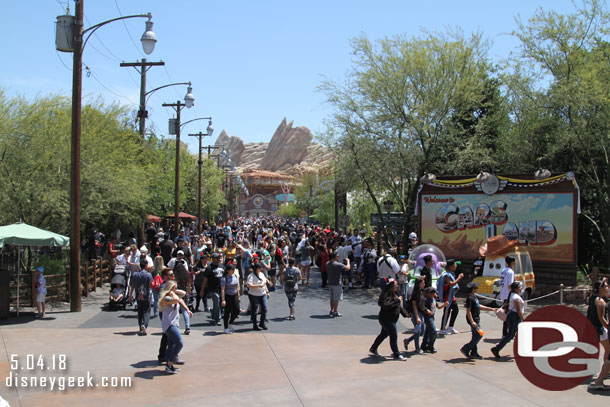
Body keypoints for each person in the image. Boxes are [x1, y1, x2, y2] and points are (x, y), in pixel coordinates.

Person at [158, 280, 192, 374]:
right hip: (169, 324)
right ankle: (170, 363)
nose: (175, 290)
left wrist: (187, 310)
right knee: (179, 343)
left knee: (171, 345)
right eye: (174, 288)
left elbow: (184, 294)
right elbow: (177, 300)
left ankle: (169, 366)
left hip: (174, 323)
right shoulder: (166, 299)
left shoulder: (173, 295)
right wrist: (172, 293)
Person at [369, 279, 408, 361]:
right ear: (391, 287)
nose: (397, 286)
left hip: (392, 319)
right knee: (393, 336)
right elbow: (385, 305)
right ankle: (396, 354)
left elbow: (398, 306)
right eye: (396, 285)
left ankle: (373, 348)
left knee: (383, 334)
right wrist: (397, 300)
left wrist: (405, 313)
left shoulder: (394, 294)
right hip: (387, 319)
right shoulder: (386, 295)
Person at [460, 282, 495, 360]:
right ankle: (466, 348)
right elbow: (468, 311)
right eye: (476, 288)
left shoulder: (475, 297)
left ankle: (474, 353)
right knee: (480, 334)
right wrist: (472, 322)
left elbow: (479, 306)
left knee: (475, 336)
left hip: (476, 319)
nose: (477, 289)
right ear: (473, 289)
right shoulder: (470, 298)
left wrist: (491, 309)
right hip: (474, 320)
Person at [491, 281, 525, 359]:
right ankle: (497, 348)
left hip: (513, 316)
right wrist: (523, 319)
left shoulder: (513, 295)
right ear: (516, 289)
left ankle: (498, 348)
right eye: (519, 287)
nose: (521, 288)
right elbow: (519, 310)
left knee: (513, 334)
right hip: (514, 316)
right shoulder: (516, 297)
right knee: (511, 334)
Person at [586, 278, 610, 391]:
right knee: (608, 350)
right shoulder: (600, 301)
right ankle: (605, 371)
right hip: (599, 329)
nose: (607, 288)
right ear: (600, 289)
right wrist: (608, 327)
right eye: (605, 286)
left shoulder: (593, 298)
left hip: (592, 327)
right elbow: (602, 319)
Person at [437, 259, 464, 335]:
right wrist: (459, 277)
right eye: (454, 265)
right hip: (447, 296)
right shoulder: (447, 275)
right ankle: (442, 328)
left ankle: (451, 327)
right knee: (446, 312)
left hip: (452, 296)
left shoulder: (451, 274)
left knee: (456, 310)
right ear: (451, 266)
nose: (456, 266)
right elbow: (451, 284)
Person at [200, 253, 225, 326]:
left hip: (222, 288)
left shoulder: (222, 266)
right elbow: (205, 280)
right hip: (213, 289)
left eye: (219, 258)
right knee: (216, 302)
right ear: (213, 259)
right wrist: (202, 290)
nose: (219, 259)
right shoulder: (209, 268)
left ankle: (213, 312)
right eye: (217, 258)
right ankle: (218, 319)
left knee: (220, 303)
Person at [420, 287, 448, 353]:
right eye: (431, 293)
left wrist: (444, 305)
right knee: (433, 332)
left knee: (427, 332)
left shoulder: (434, 299)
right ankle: (430, 346)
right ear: (428, 293)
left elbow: (438, 307)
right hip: (428, 318)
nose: (433, 294)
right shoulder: (426, 300)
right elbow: (422, 307)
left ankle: (424, 346)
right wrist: (427, 310)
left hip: (432, 317)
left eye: (434, 292)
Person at [129, 259, 153, 335]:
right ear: (146, 266)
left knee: (140, 311)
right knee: (147, 310)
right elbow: (151, 285)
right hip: (146, 294)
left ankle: (140, 325)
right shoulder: (148, 275)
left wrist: (130, 295)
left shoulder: (135, 274)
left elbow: (132, 285)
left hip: (138, 294)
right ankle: (144, 324)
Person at [404, 278, 426, 354]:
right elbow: (414, 306)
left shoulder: (422, 292)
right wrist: (417, 317)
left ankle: (408, 340)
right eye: (422, 283)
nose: (424, 284)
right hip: (416, 313)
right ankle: (417, 348)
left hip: (421, 312)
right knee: (418, 331)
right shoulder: (415, 293)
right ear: (418, 284)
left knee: (421, 331)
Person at [326, 251, 349, 317]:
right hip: (337, 283)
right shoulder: (338, 264)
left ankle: (332, 310)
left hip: (330, 283)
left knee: (332, 298)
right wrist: (348, 262)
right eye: (338, 256)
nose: (338, 257)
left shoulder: (327, 263)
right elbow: (348, 268)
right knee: (336, 298)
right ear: (335, 257)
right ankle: (335, 311)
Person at [247, 263, 269, 330]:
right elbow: (249, 285)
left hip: (262, 293)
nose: (261, 269)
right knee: (254, 309)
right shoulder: (251, 276)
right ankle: (254, 324)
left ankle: (262, 322)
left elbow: (264, 284)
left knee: (264, 308)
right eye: (259, 268)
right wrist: (258, 286)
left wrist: (267, 291)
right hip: (254, 294)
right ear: (256, 269)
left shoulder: (262, 274)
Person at [221, 264, 240, 334]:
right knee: (227, 312)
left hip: (234, 295)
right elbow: (222, 289)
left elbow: (237, 287)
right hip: (227, 296)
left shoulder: (234, 276)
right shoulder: (224, 278)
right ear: (228, 271)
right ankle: (226, 327)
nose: (233, 271)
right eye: (232, 270)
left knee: (237, 310)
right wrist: (223, 300)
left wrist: (238, 296)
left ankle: (230, 322)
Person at [499, 256, 516, 336]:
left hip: (503, 294)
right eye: (514, 262)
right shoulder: (510, 272)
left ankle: (506, 333)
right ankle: (506, 333)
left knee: (507, 314)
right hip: (509, 295)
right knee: (509, 314)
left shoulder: (503, 270)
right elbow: (510, 285)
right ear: (512, 262)